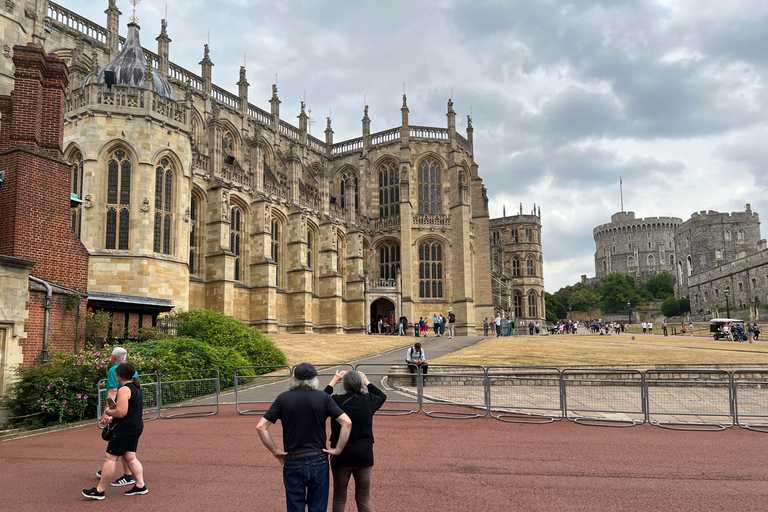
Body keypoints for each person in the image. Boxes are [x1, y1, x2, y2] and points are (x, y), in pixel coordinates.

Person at [257, 363, 352, 512]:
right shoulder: (323, 397)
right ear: (314, 379)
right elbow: (347, 422)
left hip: (293, 459)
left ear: (294, 379)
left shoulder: (283, 398)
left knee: (295, 506)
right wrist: (337, 449)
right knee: (318, 507)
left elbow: (261, 426)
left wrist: (275, 450)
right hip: (318, 458)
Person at [82, 363, 147, 500]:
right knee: (130, 456)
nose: (115, 375)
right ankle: (140, 485)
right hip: (135, 425)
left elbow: (121, 412)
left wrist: (107, 412)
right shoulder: (135, 387)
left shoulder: (124, 390)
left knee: (110, 457)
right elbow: (122, 408)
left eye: (117, 374)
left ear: (121, 375)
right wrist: (111, 414)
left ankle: (100, 490)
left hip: (124, 428)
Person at [324, 370, 387, 512]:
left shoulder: (336, 400)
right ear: (360, 384)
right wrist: (366, 381)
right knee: (364, 497)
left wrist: (333, 382)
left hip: (341, 452)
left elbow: (321, 398)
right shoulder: (368, 400)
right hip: (363, 452)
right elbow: (382, 396)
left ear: (345, 385)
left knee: (339, 497)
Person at [95, 347, 139, 487]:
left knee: (117, 444)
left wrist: (107, 412)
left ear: (113, 357)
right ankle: (111, 469)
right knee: (123, 445)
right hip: (131, 411)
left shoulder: (114, 370)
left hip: (120, 411)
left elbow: (113, 391)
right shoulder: (132, 370)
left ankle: (125, 474)